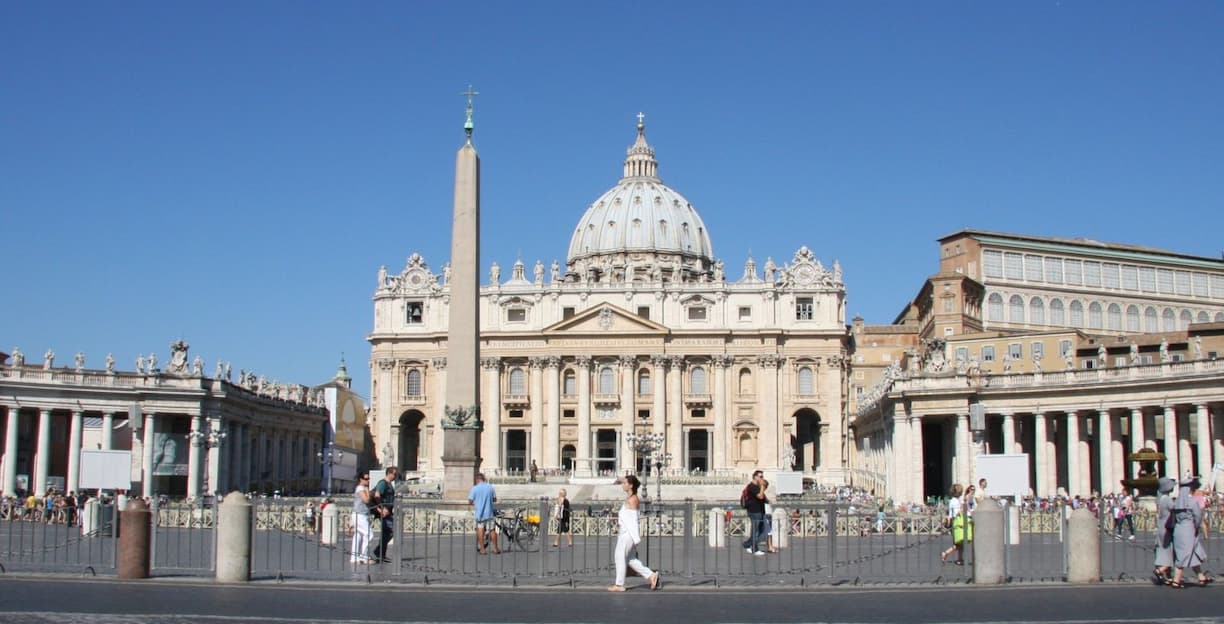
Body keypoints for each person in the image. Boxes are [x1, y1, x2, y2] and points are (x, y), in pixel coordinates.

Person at [608, 475, 659, 592]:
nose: (623, 485)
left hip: (627, 534)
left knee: (619, 557)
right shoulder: (631, 498)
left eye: (625, 483)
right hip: (627, 534)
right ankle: (651, 576)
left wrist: (635, 538)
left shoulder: (633, 500)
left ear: (630, 485)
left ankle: (619, 584)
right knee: (631, 560)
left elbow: (632, 520)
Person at [1169, 476, 1210, 588]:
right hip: (1189, 529)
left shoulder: (1176, 502)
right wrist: (1196, 527)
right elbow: (1198, 517)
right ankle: (1176, 580)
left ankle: (1201, 577)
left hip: (1178, 529)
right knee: (1184, 554)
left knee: (1193, 552)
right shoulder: (1192, 502)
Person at [369, 466, 397, 563]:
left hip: (388, 511)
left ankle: (381, 553)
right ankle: (379, 552)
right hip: (384, 512)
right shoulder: (382, 483)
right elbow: (377, 495)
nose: (395, 476)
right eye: (394, 474)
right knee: (390, 530)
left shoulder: (390, 484)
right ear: (389, 473)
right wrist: (382, 508)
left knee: (387, 532)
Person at [468, 472, 499, 554]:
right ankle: (495, 548)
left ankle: (482, 549)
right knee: (492, 530)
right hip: (489, 513)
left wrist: (476, 501)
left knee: (480, 530)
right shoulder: (490, 487)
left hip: (480, 514)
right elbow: (495, 499)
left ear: (477, 480)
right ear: (484, 479)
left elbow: (470, 501)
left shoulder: (475, 488)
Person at [1154, 477, 1176, 584]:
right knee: (1169, 551)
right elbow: (1175, 509)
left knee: (1163, 551)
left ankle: (1167, 576)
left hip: (1161, 526)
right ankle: (1160, 570)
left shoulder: (1161, 498)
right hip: (1167, 527)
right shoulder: (1167, 499)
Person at [741, 470, 768, 555]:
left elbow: (763, 497)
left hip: (759, 510)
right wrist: (763, 486)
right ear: (755, 477)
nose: (762, 478)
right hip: (755, 511)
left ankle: (748, 544)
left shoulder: (756, 486)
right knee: (756, 531)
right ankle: (754, 548)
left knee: (760, 529)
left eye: (762, 477)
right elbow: (760, 496)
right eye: (761, 477)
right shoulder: (752, 486)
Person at [350, 472, 373, 564]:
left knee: (358, 536)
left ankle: (354, 557)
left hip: (361, 514)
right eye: (366, 479)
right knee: (369, 534)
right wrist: (368, 491)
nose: (368, 480)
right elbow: (366, 500)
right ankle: (364, 556)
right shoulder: (360, 488)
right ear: (361, 479)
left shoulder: (361, 488)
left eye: (368, 478)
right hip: (359, 515)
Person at [940, 484, 965, 565]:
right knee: (958, 543)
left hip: (956, 522)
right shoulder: (955, 501)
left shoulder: (953, 500)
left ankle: (960, 559)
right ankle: (945, 553)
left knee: (960, 542)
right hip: (957, 522)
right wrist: (962, 509)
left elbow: (950, 514)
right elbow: (956, 513)